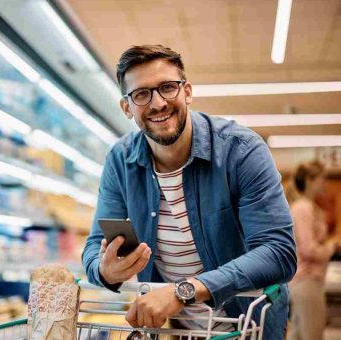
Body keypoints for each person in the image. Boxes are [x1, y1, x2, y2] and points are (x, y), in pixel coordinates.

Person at [82, 45, 296, 339]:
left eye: (168, 88)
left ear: (188, 92)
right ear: (127, 108)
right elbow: (95, 247)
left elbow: (279, 252)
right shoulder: (121, 161)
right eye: (142, 94)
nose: (158, 103)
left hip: (248, 325)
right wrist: (104, 271)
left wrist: (182, 291)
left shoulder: (241, 151)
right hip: (178, 329)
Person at [285, 160, 336, 340]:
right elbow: (308, 249)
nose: (324, 183)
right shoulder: (303, 208)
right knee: (312, 335)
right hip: (307, 280)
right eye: (322, 179)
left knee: (299, 334)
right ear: (309, 180)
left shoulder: (307, 206)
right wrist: (331, 247)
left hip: (306, 281)